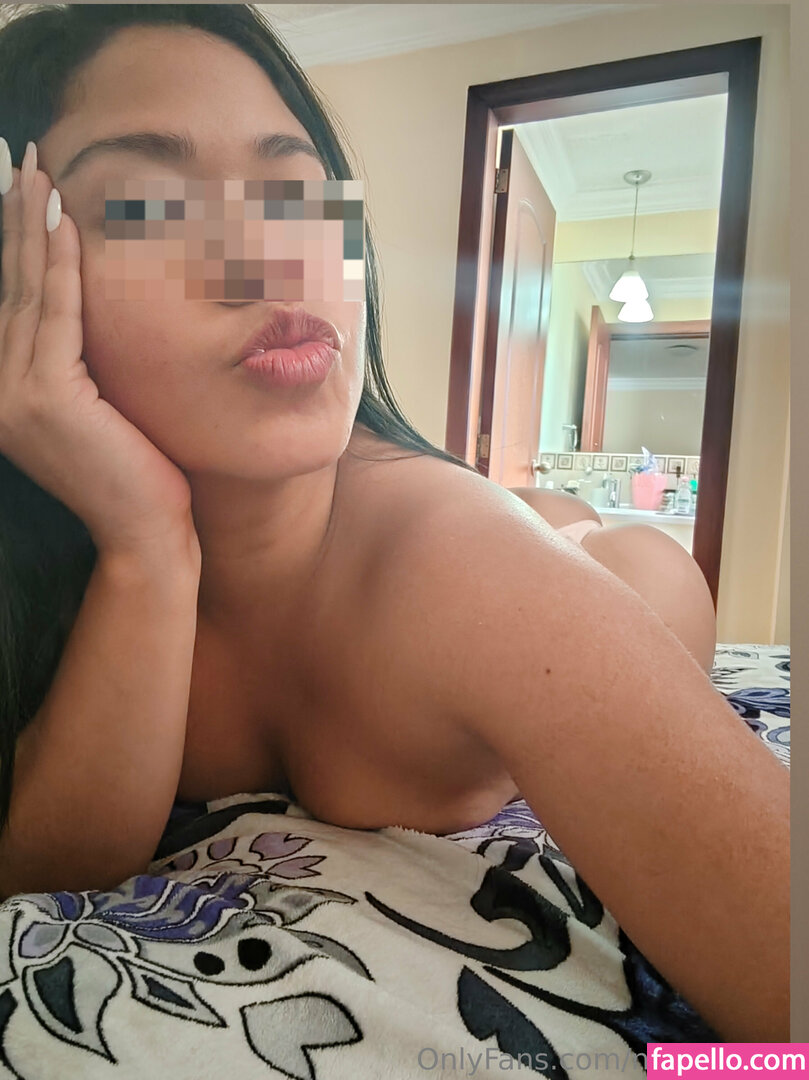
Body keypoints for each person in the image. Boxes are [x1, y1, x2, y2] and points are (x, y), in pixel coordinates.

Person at [0, 5, 788, 1043]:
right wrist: (146, 545)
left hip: (574, 562)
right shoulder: (64, 567)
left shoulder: (469, 578)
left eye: (296, 195)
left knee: (617, 554)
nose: (270, 259)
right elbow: (48, 875)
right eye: (146, 205)